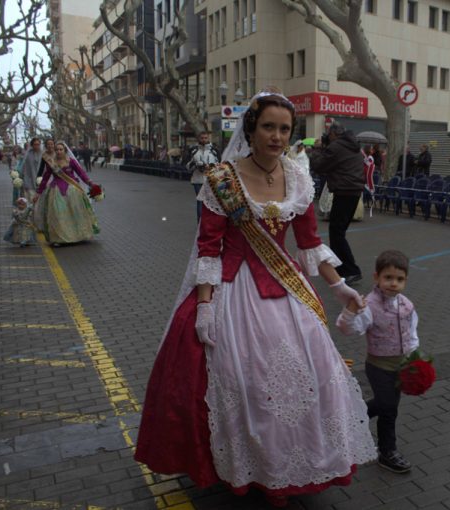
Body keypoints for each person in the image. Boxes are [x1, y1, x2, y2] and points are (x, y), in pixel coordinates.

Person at [134, 91, 376, 507]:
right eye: (269, 127)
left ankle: (293, 465)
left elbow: (310, 244)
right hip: (234, 292)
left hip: (285, 290)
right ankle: (252, 467)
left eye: (284, 129)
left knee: (307, 377)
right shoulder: (222, 180)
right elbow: (209, 248)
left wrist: (339, 287)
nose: (277, 136)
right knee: (240, 380)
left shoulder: (299, 177)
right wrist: (206, 305)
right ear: (251, 128)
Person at [336, 249, 418, 474]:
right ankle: (381, 443)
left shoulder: (406, 305)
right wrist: (351, 312)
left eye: (399, 279)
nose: (393, 283)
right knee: (387, 406)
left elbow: (411, 333)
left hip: (399, 365)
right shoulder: (369, 305)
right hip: (378, 365)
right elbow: (348, 329)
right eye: (388, 278)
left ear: (405, 280)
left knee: (390, 407)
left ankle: (376, 439)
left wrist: (413, 358)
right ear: (377, 278)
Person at [310, 122, 365, 284]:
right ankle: (341, 268)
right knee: (338, 231)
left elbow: (319, 166)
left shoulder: (337, 147)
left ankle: (351, 270)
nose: (327, 136)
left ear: (334, 134)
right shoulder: (353, 145)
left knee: (337, 232)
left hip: (344, 191)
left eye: (328, 133)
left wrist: (318, 149)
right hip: (353, 192)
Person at [33, 141, 100, 245]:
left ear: (65, 151)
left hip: (73, 190)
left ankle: (79, 235)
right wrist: (38, 193)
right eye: (57, 150)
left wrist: (90, 183)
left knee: (76, 212)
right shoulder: (51, 163)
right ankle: (59, 238)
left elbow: (81, 173)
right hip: (56, 191)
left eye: (61, 149)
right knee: (58, 213)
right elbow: (45, 179)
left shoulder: (71, 161)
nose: (58, 152)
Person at [187, 131, 221, 222]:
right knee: (200, 202)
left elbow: (220, 166)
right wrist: (196, 165)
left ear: (208, 138)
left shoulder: (214, 150)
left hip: (211, 180)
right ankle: (200, 223)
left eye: (205, 138)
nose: (204, 140)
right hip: (197, 180)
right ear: (198, 138)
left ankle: (210, 222)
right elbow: (186, 165)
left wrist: (210, 167)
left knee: (211, 202)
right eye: (202, 138)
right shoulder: (193, 150)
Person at [21, 138, 43, 203]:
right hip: (29, 180)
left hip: (40, 180)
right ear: (32, 145)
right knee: (31, 199)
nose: (37, 146)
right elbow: (25, 168)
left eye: (38, 144)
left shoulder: (43, 154)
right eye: (35, 144)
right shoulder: (28, 155)